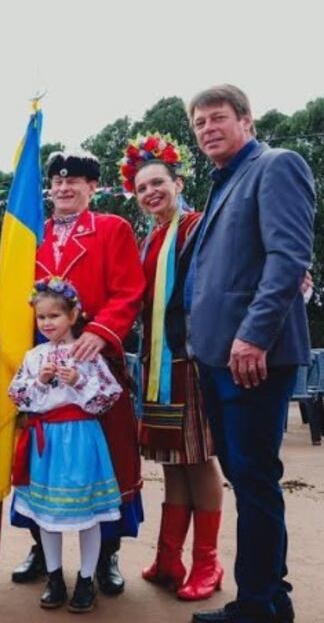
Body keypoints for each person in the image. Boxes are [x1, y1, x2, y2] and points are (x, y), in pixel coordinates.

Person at [185, 85, 314, 623]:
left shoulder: (275, 165)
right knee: (250, 481)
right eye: (198, 123)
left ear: (247, 120)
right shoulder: (223, 182)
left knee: (256, 481)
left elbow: (289, 258)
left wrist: (254, 335)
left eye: (218, 118)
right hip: (217, 358)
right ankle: (270, 595)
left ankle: (258, 605)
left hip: (252, 358)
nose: (207, 128)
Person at [12, 150, 146, 596]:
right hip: (42, 367)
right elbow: (13, 294)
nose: (65, 188)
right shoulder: (30, 234)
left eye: (77, 182)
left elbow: (129, 289)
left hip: (97, 360)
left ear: (92, 188)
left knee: (109, 459)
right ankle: (40, 546)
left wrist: (101, 333)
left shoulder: (112, 228)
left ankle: (105, 555)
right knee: (38, 461)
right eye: (57, 182)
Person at [123, 135, 225, 601]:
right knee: (173, 464)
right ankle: (170, 556)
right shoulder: (149, 240)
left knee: (200, 461)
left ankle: (208, 563)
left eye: (158, 183)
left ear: (178, 182)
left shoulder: (199, 226)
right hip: (157, 365)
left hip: (192, 362)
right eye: (142, 187)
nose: (150, 193)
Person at [9, 277, 122, 613]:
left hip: (82, 441)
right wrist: (39, 382)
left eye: (54, 316)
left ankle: (87, 579)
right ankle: (54, 577)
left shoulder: (87, 354)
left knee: (88, 516)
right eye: (41, 318)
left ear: (73, 316)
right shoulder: (34, 357)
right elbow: (17, 397)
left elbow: (109, 397)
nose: (47, 324)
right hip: (48, 445)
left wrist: (81, 380)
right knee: (47, 515)